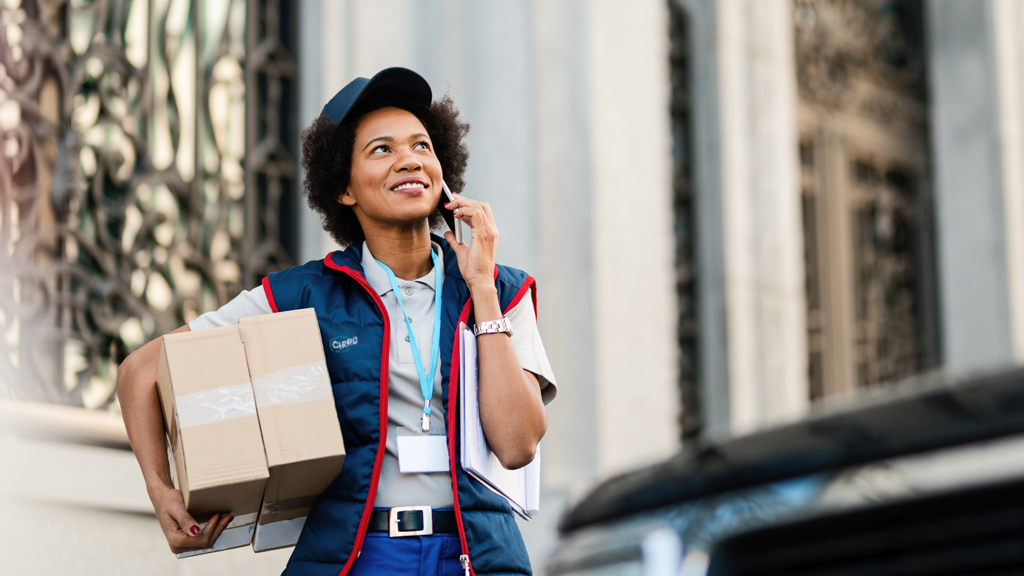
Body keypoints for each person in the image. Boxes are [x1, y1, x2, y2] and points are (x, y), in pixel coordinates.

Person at [116, 67, 557, 576]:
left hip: (476, 558)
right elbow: (140, 370)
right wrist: (160, 487)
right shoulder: (305, 295)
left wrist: (481, 289)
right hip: (359, 558)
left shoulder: (503, 289)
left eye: (422, 146)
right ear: (343, 189)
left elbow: (518, 443)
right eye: (382, 150)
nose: (409, 159)